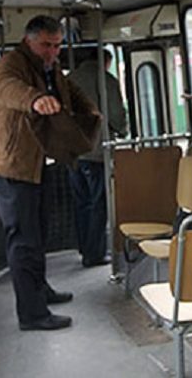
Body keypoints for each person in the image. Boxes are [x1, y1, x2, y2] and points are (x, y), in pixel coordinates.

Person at [0, 15, 98, 331]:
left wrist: (90, 110)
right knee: (23, 241)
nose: (52, 52)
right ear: (28, 40)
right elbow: (6, 88)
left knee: (39, 233)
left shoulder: (49, 68)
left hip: (37, 163)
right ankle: (32, 314)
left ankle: (40, 290)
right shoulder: (12, 63)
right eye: (46, 45)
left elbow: (67, 88)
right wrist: (35, 100)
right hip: (12, 165)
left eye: (57, 45)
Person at [67, 50, 128, 267]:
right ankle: (95, 254)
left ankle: (84, 247)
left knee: (81, 202)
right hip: (96, 151)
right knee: (98, 203)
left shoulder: (69, 79)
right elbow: (115, 113)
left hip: (73, 152)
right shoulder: (106, 81)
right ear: (106, 62)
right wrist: (123, 130)